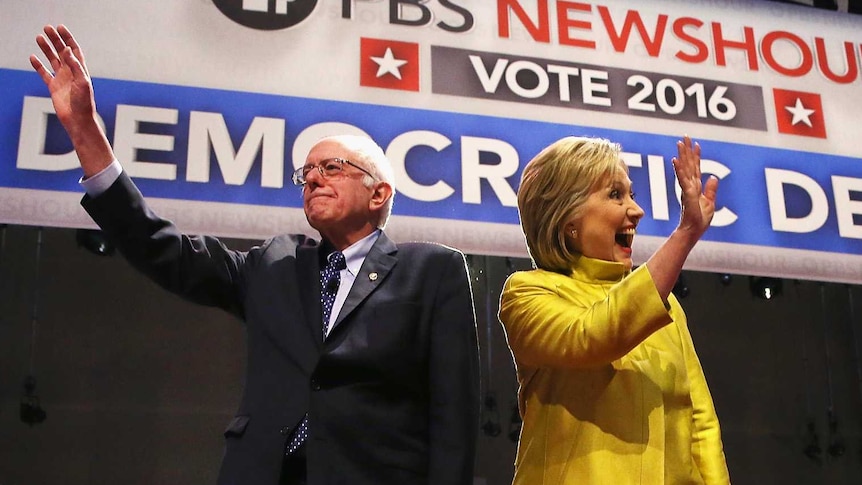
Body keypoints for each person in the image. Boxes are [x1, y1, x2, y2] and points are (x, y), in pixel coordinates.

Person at [31, 24, 480, 485]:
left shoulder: (431, 270)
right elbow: (162, 249)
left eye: (331, 168)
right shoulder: (274, 263)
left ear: (379, 192)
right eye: (305, 172)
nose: (312, 179)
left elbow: (454, 414)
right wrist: (86, 133)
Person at [498, 135, 730, 484]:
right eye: (615, 195)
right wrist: (685, 234)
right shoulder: (527, 293)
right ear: (567, 219)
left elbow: (701, 422)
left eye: (631, 195)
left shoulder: (666, 305)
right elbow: (593, 337)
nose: (636, 211)